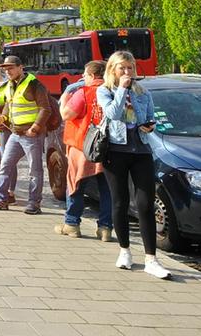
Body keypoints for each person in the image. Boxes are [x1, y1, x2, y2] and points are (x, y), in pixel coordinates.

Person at [96, 51, 170, 279]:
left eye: (130, 68)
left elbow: (149, 117)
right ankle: (125, 250)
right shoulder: (104, 90)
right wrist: (122, 90)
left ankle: (151, 259)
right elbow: (113, 113)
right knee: (120, 202)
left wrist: (150, 125)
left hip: (141, 150)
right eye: (122, 68)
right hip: (115, 152)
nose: (128, 72)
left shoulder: (143, 91)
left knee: (145, 203)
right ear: (113, 70)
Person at [0, 55, 52, 214]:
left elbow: (45, 109)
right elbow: (9, 103)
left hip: (31, 134)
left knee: (34, 170)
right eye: (6, 69)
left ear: (21, 68)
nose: (8, 72)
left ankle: (34, 203)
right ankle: (1, 199)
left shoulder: (34, 84)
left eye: (11, 68)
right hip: (15, 134)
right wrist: (4, 117)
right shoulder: (9, 85)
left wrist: (35, 128)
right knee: (4, 166)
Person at [57, 60, 114, 240]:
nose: (83, 78)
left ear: (91, 75)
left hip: (82, 146)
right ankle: (105, 228)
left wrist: (64, 100)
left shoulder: (83, 92)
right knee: (107, 189)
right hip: (108, 147)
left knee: (76, 185)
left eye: (85, 75)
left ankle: (72, 223)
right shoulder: (114, 93)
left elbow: (67, 114)